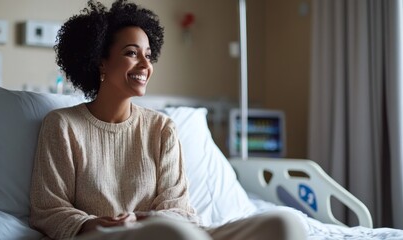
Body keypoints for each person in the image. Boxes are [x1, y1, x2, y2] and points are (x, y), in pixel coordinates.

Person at [29, 0, 307, 239]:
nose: (145, 65)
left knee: (285, 223)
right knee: (171, 234)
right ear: (100, 61)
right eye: (131, 53)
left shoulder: (161, 129)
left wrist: (145, 220)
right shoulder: (63, 125)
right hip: (110, 237)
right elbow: (48, 209)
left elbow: (177, 208)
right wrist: (90, 223)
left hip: (168, 233)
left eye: (148, 56)